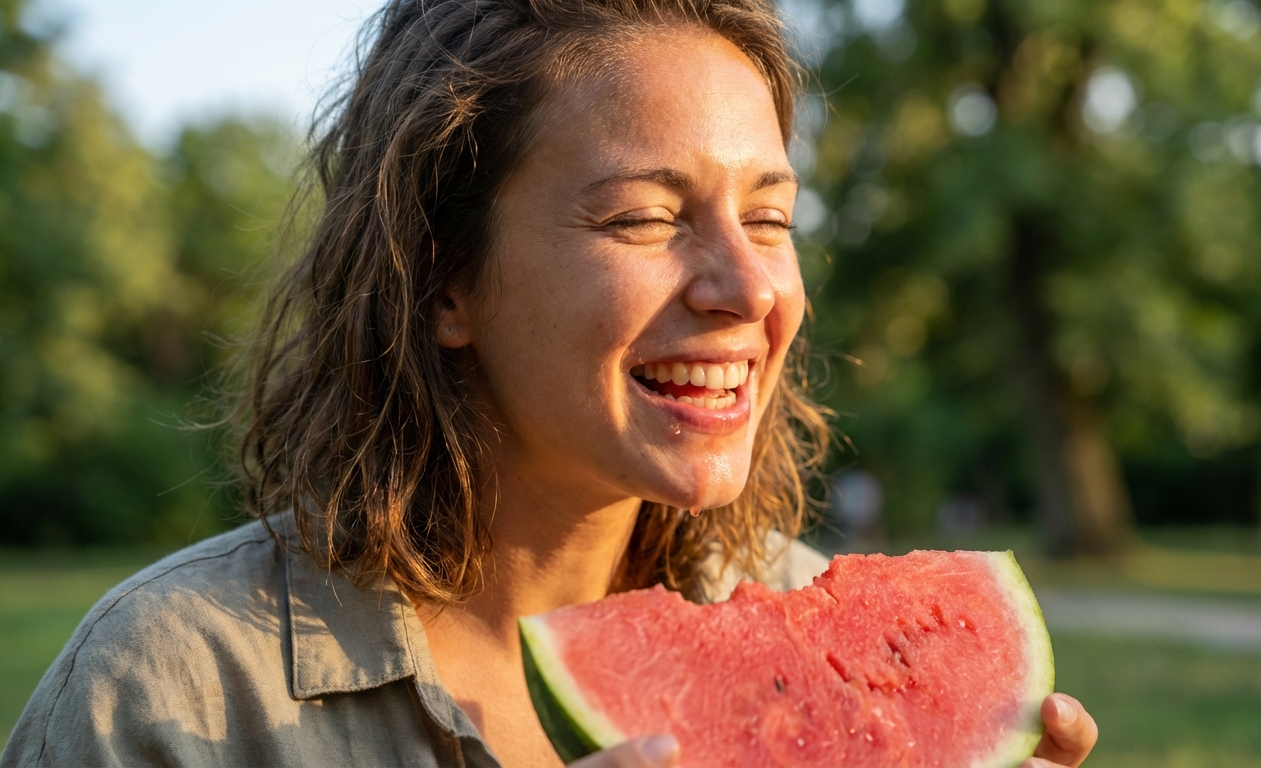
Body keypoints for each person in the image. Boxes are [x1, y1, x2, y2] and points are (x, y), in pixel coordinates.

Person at [1, 0, 1098, 765]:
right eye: (643, 218)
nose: (746, 287)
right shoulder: (169, 691)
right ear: (443, 281)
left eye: (769, 218)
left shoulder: (803, 615)